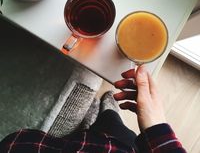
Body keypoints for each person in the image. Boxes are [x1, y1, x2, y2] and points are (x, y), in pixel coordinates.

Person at [0, 65, 186, 153]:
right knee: (114, 124)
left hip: (70, 146)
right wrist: (157, 129)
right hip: (126, 147)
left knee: (91, 132)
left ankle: (91, 125)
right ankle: (107, 114)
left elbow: (18, 141)